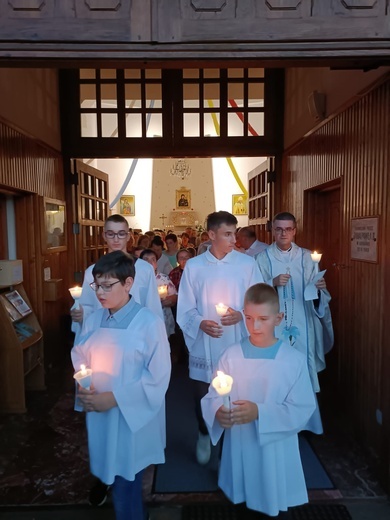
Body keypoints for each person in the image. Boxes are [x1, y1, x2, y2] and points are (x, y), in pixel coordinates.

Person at [201, 283, 316, 517]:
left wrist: (260, 412)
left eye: (263, 318)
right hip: (240, 442)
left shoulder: (292, 360)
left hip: (275, 447)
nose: (255, 326)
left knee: (272, 498)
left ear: (279, 317)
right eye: (250, 318)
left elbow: (302, 407)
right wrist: (217, 411)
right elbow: (214, 394)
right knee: (242, 502)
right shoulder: (231, 355)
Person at [71, 251, 171, 520]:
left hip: (131, 417)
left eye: (107, 285)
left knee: (128, 480)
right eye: (97, 285)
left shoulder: (148, 323)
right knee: (112, 473)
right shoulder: (93, 320)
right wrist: (85, 385)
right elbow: (80, 354)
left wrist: (114, 398)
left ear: (128, 284)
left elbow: (159, 375)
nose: (100, 293)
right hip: (101, 413)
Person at [177, 210, 264, 465]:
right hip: (205, 342)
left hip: (236, 340)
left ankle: (230, 447)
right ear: (211, 235)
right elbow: (185, 307)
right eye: (227, 234)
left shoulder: (247, 264)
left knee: (236, 395)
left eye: (234, 233)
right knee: (202, 393)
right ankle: (204, 432)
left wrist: (241, 315)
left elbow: (257, 300)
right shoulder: (194, 266)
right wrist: (200, 323)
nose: (233, 239)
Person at [256, 212, 334, 433]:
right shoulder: (262, 259)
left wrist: (318, 290)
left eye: (288, 229)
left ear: (295, 230)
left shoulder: (308, 258)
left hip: (303, 322)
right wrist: (271, 283)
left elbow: (320, 296)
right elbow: (254, 293)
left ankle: (306, 424)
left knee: (302, 370)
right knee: (276, 370)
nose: (283, 233)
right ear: (272, 230)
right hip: (275, 325)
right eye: (279, 229)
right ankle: (277, 420)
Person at [71, 215, 163, 344]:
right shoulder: (92, 272)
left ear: (128, 236)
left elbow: (153, 306)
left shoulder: (144, 269)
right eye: (110, 234)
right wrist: (81, 314)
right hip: (103, 338)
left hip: (137, 337)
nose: (116, 239)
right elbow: (88, 306)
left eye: (121, 234)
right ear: (104, 236)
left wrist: (158, 339)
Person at [140, 248, 177, 338]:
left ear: (156, 263)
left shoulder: (163, 278)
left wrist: (170, 300)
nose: (150, 262)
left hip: (162, 318)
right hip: (143, 319)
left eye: (153, 259)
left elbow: (175, 296)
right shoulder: (136, 280)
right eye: (146, 260)